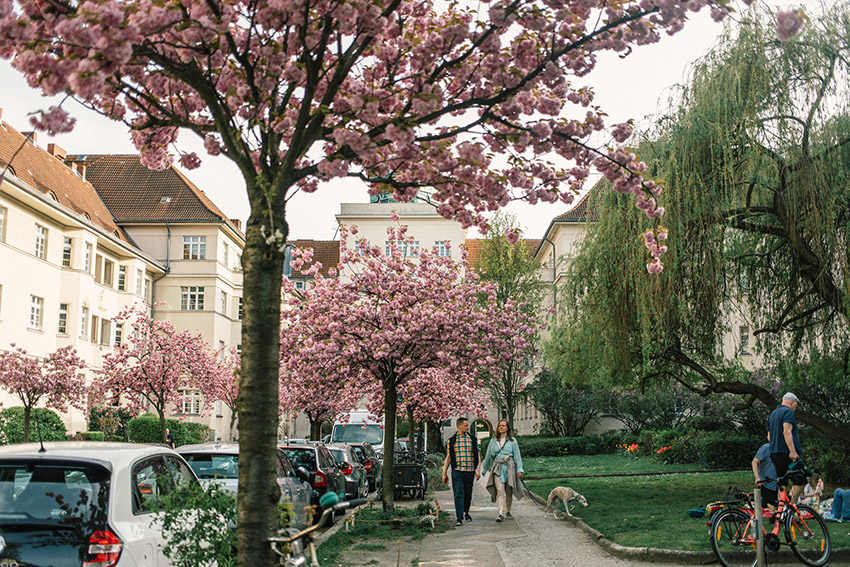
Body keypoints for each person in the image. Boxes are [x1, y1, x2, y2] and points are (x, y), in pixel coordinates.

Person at [482, 419, 524, 522]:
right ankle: (500, 513)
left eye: (503, 426)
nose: (501, 427)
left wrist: (520, 469)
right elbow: (488, 455)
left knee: (508, 490)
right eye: (499, 425)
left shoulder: (513, 441)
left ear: (507, 428)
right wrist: (485, 469)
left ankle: (508, 511)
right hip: (498, 467)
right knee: (500, 490)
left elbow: (517, 456)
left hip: (509, 468)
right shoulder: (493, 440)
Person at [441, 417, 481, 526]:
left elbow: (477, 455)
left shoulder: (472, 439)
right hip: (457, 471)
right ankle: (459, 517)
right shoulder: (452, 440)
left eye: (468, 425)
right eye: (465, 425)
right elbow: (449, 457)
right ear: (459, 426)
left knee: (468, 493)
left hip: (469, 471)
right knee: (458, 493)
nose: (468, 427)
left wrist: (478, 470)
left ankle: (466, 512)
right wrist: (444, 472)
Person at [768, 392, 806, 502]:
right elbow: (787, 432)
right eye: (796, 405)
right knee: (801, 480)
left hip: (774, 453)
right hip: (787, 453)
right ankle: (789, 507)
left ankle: (780, 512)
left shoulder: (773, 414)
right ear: (792, 402)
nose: (795, 408)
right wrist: (792, 451)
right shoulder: (788, 412)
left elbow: (769, 436)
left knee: (782, 483)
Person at [752, 436, 778, 510]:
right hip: (766, 482)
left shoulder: (781, 449)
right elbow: (754, 462)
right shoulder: (765, 448)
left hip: (777, 482)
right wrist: (757, 478)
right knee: (770, 503)